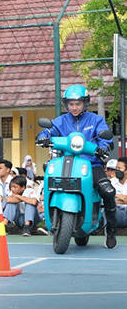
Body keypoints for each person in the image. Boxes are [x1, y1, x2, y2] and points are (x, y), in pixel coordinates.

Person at [37, 84, 117, 248]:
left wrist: (104, 146)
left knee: (108, 191)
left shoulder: (96, 120)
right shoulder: (60, 121)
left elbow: (105, 138)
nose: (74, 107)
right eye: (71, 104)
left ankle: (111, 229)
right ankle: (50, 216)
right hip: (64, 162)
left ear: (85, 103)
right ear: (66, 104)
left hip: (91, 164)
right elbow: (48, 131)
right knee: (49, 181)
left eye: (78, 103)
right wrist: (43, 137)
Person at [109, 157, 127, 227]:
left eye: (119, 168)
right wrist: (118, 196)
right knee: (109, 210)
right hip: (116, 210)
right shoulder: (111, 182)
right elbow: (107, 200)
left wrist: (114, 198)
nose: (117, 170)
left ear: (126, 171)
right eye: (116, 168)